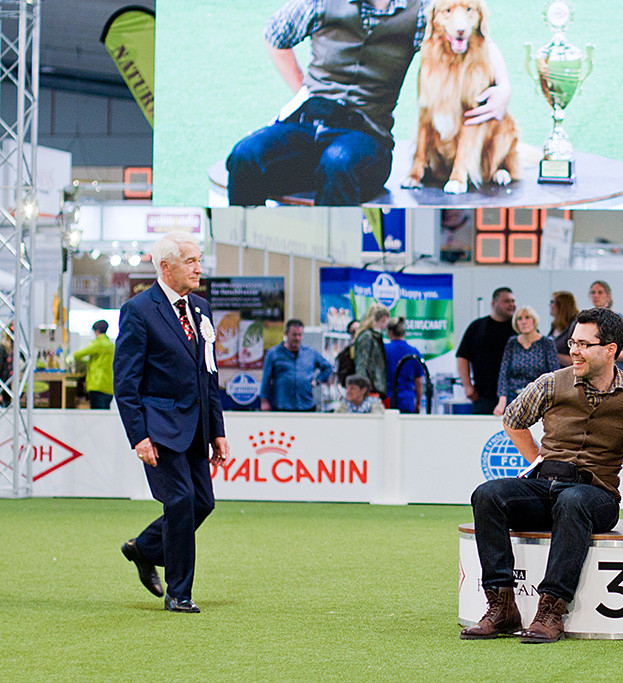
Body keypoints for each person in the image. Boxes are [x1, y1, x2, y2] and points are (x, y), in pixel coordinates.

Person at [462, 308, 623, 643]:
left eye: (584, 344)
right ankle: (501, 607)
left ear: (610, 350)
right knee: (487, 494)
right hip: (544, 484)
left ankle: (550, 610)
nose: (574, 350)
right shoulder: (550, 383)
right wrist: (537, 458)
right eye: (573, 342)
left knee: (573, 501)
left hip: (596, 494)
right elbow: (513, 420)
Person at [226, 0, 511, 206]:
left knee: (337, 162)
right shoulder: (320, 2)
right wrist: (302, 86)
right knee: (244, 156)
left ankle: (331, 262)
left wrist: (504, 88)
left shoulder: (419, 10)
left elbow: (478, 37)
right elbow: (276, 34)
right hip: (307, 126)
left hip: (367, 137)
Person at [112, 232, 229, 614]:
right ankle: (179, 593)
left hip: (196, 426)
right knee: (179, 502)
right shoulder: (139, 310)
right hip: (159, 426)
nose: (199, 268)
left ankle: (144, 548)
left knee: (203, 503)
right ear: (166, 267)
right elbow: (125, 382)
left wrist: (217, 431)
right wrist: (138, 436)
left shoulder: (201, 308)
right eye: (191, 261)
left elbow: (208, 374)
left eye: (199, 260)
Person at [456, 287, 516, 414]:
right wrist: (467, 386)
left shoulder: (518, 328)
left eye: (513, 301)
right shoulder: (477, 327)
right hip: (483, 397)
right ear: (494, 304)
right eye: (507, 301)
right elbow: (462, 357)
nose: (512, 305)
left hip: (514, 397)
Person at [494, 306, 558, 416]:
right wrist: (502, 401)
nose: (523, 322)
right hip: (514, 397)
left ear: (534, 320)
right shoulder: (512, 343)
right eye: (520, 318)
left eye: (527, 317)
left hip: (539, 397)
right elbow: (504, 373)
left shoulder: (547, 343)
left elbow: (555, 374)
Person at [260, 318, 333, 412]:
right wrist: (264, 401)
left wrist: (317, 381)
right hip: (282, 405)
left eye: (300, 335)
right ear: (286, 334)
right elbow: (266, 378)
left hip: (306, 405)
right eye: (294, 335)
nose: (297, 338)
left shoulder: (310, 352)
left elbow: (328, 368)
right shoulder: (274, 353)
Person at [588, 280, 623, 373]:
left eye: (600, 292)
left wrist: (603, 352)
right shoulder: (588, 321)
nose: (596, 295)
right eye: (593, 292)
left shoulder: (618, 320)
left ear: (609, 297)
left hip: (616, 375)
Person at [384, 317, 424, 414]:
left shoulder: (384, 350)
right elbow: (418, 382)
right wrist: (418, 403)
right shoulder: (414, 352)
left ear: (390, 331)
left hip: (388, 400)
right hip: (407, 401)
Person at [72, 320, 115, 409]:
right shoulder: (111, 346)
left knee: (97, 417)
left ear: (97, 331)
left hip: (97, 384)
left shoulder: (98, 344)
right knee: (105, 416)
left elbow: (78, 354)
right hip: (109, 386)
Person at [353, 303, 390, 401]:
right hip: (369, 390)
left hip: (372, 389)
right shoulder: (367, 336)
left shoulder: (373, 336)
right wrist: (361, 390)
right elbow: (362, 364)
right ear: (384, 319)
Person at [548, 291, 578, 368]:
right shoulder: (555, 325)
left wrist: (552, 355)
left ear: (561, 305)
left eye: (552, 302)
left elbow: (576, 359)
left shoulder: (574, 326)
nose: (549, 305)